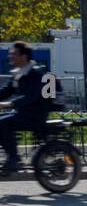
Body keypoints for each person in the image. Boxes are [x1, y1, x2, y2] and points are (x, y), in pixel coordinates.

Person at [0, 42, 54, 176]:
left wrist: (9, 104)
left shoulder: (35, 74)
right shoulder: (19, 74)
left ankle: (14, 158)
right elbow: (5, 91)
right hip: (24, 113)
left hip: (35, 115)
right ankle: (11, 156)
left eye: (14, 54)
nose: (10, 57)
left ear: (24, 56)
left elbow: (31, 96)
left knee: (3, 123)